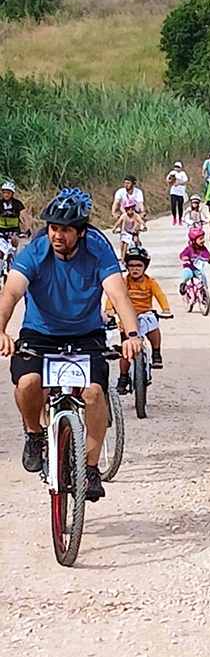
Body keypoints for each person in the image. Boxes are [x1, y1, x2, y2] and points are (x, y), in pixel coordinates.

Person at [0, 188, 141, 500]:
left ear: (81, 232)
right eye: (53, 228)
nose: (57, 235)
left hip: (85, 335)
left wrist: (132, 335)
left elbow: (118, 295)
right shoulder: (35, 253)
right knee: (28, 384)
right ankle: (34, 434)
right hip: (40, 334)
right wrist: (1, 330)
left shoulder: (98, 251)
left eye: (65, 230)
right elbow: (10, 293)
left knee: (94, 394)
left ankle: (90, 469)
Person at [106, 246, 171, 391]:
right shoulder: (123, 282)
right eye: (132, 266)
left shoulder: (150, 282)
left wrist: (165, 309)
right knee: (126, 349)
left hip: (145, 313)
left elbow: (160, 295)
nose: (135, 269)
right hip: (127, 316)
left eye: (139, 266)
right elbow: (113, 296)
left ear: (145, 267)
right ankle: (123, 376)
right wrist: (109, 309)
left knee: (153, 324)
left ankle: (156, 352)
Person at [179, 227, 210, 295]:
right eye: (200, 239)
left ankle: (205, 292)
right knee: (188, 275)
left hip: (197, 269)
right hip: (189, 267)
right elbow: (182, 254)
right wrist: (184, 257)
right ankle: (183, 284)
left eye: (203, 238)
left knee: (202, 277)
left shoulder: (203, 249)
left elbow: (207, 254)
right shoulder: (189, 249)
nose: (203, 240)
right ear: (194, 241)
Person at [0, 182, 30, 261]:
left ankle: (13, 260)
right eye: (4, 192)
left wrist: (28, 230)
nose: (6, 195)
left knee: (14, 244)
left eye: (8, 193)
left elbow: (24, 217)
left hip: (14, 230)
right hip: (1, 230)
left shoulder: (17, 204)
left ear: (12, 194)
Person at [112, 198, 146, 263]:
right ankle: (122, 258)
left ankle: (139, 250)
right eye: (128, 209)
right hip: (125, 232)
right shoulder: (124, 216)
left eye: (131, 208)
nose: (130, 210)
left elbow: (141, 221)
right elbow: (118, 222)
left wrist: (144, 226)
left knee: (135, 240)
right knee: (123, 244)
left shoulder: (136, 216)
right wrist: (114, 228)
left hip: (133, 232)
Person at [166, 161, 189, 226]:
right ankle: (174, 218)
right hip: (173, 191)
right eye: (175, 167)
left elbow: (185, 181)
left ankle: (180, 219)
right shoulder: (172, 173)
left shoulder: (183, 173)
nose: (177, 168)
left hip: (180, 192)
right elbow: (167, 180)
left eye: (178, 167)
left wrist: (178, 183)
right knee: (173, 205)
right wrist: (171, 181)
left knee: (180, 206)